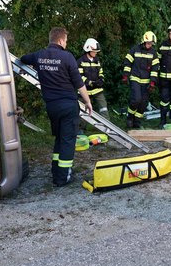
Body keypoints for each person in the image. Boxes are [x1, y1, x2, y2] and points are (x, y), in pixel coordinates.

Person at [20, 27, 93, 187]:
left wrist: (32, 66)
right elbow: (79, 84)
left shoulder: (39, 55)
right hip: (68, 106)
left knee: (60, 138)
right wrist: (87, 101)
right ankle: (63, 177)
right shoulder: (67, 57)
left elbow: (23, 59)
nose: (66, 43)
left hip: (52, 107)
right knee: (68, 141)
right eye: (66, 40)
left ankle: (56, 171)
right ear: (60, 40)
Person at [122, 31, 160, 129]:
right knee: (136, 99)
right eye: (148, 43)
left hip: (146, 82)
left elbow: (155, 69)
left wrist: (152, 82)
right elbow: (127, 62)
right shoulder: (135, 49)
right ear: (144, 41)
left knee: (143, 103)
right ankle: (130, 117)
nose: (149, 45)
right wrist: (126, 75)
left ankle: (137, 120)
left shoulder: (153, 53)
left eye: (151, 43)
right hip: (135, 78)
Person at [77, 38, 109, 133]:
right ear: (88, 49)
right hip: (84, 91)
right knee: (83, 110)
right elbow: (79, 76)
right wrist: (90, 82)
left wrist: (101, 79)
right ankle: (80, 129)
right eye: (94, 51)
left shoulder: (97, 61)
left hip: (97, 90)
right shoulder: (80, 61)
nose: (96, 53)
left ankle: (106, 128)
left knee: (103, 107)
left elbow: (101, 72)